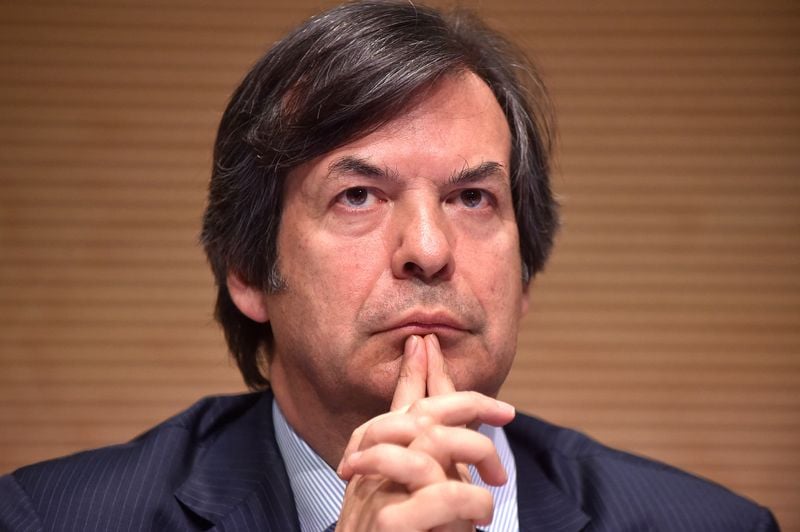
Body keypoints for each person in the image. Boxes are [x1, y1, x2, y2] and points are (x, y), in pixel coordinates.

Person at [0, 2, 780, 531]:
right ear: (247, 268)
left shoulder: (710, 525)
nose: (429, 250)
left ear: (526, 274)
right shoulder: (50, 518)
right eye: (358, 196)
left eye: (473, 198)